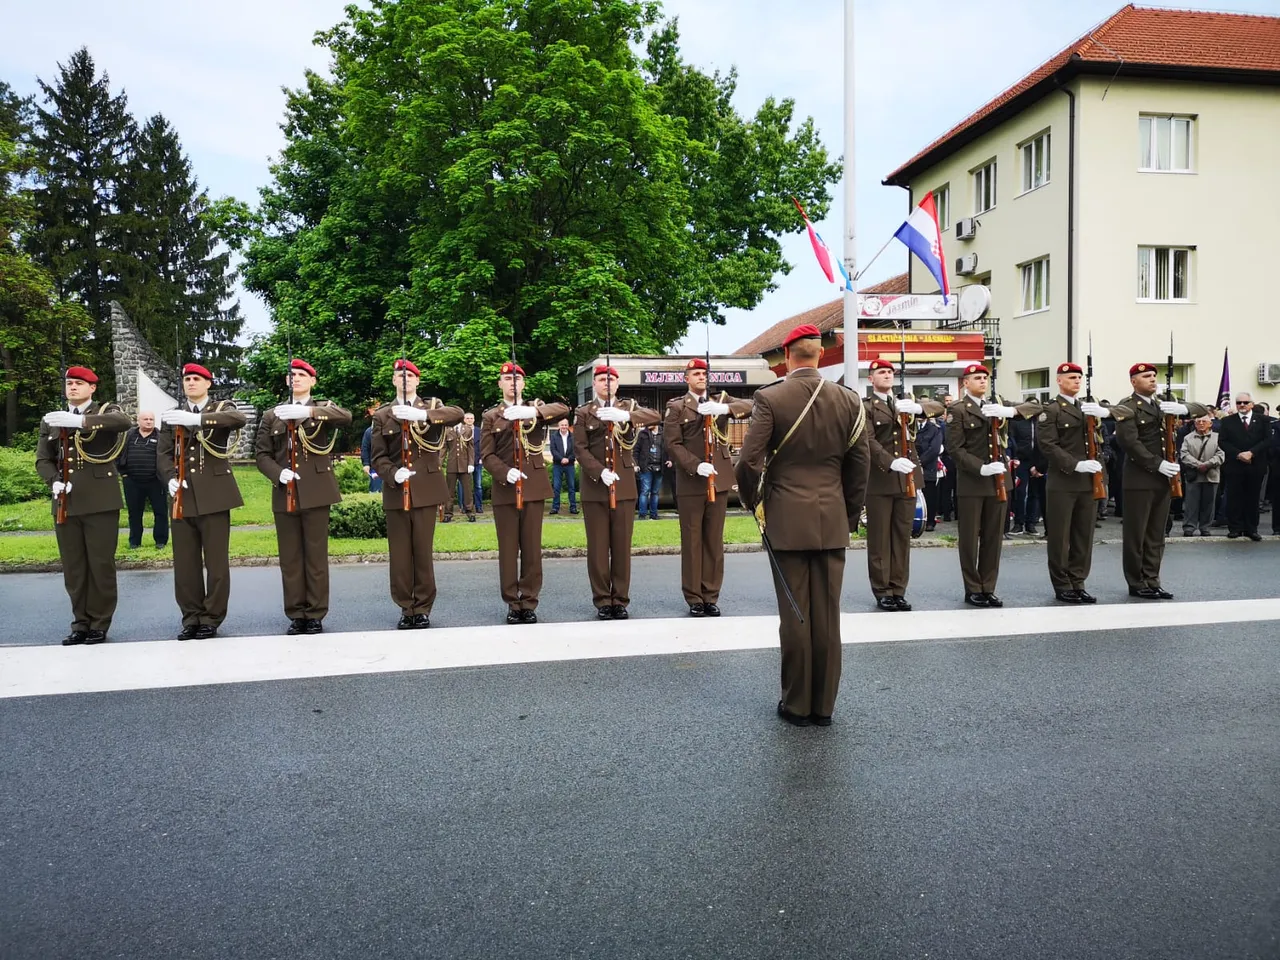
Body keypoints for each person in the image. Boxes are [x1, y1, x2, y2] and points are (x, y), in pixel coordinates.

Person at [736, 324, 870, 727]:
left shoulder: (770, 396)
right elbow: (859, 464)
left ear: (789, 356)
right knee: (827, 615)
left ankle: (796, 705)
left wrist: (753, 502)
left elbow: (748, 461)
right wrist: (847, 514)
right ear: (817, 354)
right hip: (831, 517)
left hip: (786, 518)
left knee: (796, 614)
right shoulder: (848, 399)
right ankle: (824, 707)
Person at [254, 358, 352, 635]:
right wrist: (277, 473)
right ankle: (296, 613)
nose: (295, 378)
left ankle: (316, 613)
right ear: (287, 382)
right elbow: (261, 454)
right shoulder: (272, 415)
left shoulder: (322, 408)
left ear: (312, 381)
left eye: (301, 375)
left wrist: (309, 412)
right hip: (285, 491)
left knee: (315, 556)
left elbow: (345, 418)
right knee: (290, 557)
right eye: (292, 375)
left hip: (317, 491)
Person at [36, 365, 131, 645]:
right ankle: (80, 623)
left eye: (79, 383)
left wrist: (80, 423)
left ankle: (99, 623)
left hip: (100, 499)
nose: (73, 387)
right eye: (69, 383)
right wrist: (52, 480)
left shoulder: (104, 412)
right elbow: (43, 458)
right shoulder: (53, 419)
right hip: (66, 499)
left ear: (92, 388)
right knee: (74, 567)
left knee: (100, 564)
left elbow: (123, 422)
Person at [370, 359, 464, 629]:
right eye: (399, 375)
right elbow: (378, 456)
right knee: (399, 555)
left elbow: (457, 413)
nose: (405, 379)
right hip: (396, 489)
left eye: (410, 375)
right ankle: (405, 606)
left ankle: (422, 607)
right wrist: (392, 473)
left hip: (425, 489)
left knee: (422, 552)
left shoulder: (432, 407)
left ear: (417, 381)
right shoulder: (383, 414)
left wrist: (423, 417)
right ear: (393, 380)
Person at [157, 362, 248, 640]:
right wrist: (169, 477)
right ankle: (191, 617)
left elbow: (237, 420)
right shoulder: (172, 416)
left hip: (215, 495)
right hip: (182, 495)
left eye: (197, 379)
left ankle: (211, 618)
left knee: (216, 563)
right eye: (187, 379)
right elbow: (162, 453)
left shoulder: (221, 409)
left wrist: (198, 421)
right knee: (185, 564)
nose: (191, 383)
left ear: (209, 383)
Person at [1107, 363, 1210, 599]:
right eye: (1146, 376)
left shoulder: (1163, 402)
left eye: (1154, 375)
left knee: (1156, 533)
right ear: (1134, 381)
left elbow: (1202, 408)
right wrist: (1157, 463)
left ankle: (1152, 579)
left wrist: (1181, 407)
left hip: (1163, 479)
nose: (1153, 379)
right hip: (1140, 478)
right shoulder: (1128, 406)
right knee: (1137, 534)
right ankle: (1136, 581)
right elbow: (1129, 442)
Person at [945, 364, 1042, 608]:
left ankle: (988, 587)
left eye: (985, 378)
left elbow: (1037, 406)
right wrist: (981, 467)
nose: (982, 381)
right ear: (965, 383)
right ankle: (972, 588)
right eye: (976, 378)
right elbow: (955, 449)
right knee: (969, 539)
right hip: (973, 481)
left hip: (999, 482)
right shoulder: (958, 410)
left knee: (993, 537)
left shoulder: (998, 404)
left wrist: (1008, 411)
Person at [664, 357, 753, 616]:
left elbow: (752, 405)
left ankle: (711, 595)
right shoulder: (677, 406)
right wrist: (694, 465)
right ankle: (694, 597)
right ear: (687, 378)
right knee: (692, 540)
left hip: (719, 478)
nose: (701, 377)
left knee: (714, 541)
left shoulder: (721, 401)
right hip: (692, 481)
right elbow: (672, 443)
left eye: (704, 373)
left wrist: (722, 410)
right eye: (696, 374)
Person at [481, 362, 569, 624]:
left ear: (524, 383)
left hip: (532, 487)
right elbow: (486, 454)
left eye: (517, 379)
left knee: (531, 549)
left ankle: (529, 601)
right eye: (507, 379)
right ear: (500, 384)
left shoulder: (536, 410)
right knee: (508, 549)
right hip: (506, 489)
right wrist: (503, 471)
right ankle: (512, 601)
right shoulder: (491, 417)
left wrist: (532, 410)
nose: (512, 383)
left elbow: (564, 409)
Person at [574, 365, 661, 620]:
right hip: (595, 487)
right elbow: (580, 449)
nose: (607, 383)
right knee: (599, 548)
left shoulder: (628, 408)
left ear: (618, 384)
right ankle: (603, 600)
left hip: (623, 487)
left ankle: (620, 600)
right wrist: (599, 471)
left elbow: (655, 416)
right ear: (595, 384)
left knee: (622, 547)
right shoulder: (584, 412)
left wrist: (626, 418)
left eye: (611, 379)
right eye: (602, 379)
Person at [863, 359, 944, 611]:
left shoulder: (903, 402)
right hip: (881, 479)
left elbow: (939, 407)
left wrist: (918, 408)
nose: (887, 375)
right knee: (880, 539)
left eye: (890, 372)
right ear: (871, 379)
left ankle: (898, 589)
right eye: (881, 372)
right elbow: (868, 441)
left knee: (901, 538)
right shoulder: (865, 406)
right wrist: (890, 462)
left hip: (907, 479)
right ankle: (882, 591)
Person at [1037, 362, 1108, 603]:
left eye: (1079, 377)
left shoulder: (1088, 408)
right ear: (1059, 380)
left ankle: (1078, 581)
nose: (1076, 381)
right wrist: (1075, 464)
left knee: (1083, 535)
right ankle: (1062, 584)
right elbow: (1047, 445)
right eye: (1071, 377)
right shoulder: (1052, 410)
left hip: (1088, 481)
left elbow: (1097, 442)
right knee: (1060, 536)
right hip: (1064, 481)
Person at [1217, 392, 1270, 541]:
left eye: (1245, 402)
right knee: (1234, 497)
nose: (1242, 405)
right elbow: (1223, 441)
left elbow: (1267, 440)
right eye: (1239, 402)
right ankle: (1235, 528)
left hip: (1255, 464)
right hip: (1235, 464)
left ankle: (1251, 529)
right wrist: (1239, 454)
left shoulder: (1263, 420)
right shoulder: (1228, 421)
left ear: (1252, 404)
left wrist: (1252, 453)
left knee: (1252, 498)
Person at [117, 410, 168, 550]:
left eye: (151, 419)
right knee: (134, 513)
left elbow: (167, 456)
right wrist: (123, 474)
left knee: (160, 512)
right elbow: (118, 453)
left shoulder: (161, 437)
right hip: (132, 481)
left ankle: (161, 541)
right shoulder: (129, 436)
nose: (149, 421)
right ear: (138, 421)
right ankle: (134, 541)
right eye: (145, 419)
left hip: (156, 481)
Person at [1179, 413, 1224, 537]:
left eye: (1204, 421)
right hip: (1194, 475)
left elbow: (1221, 454)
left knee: (1209, 503)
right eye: (1198, 421)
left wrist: (1208, 464)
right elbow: (1184, 454)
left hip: (1212, 474)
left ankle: (1205, 527)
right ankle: (1189, 527)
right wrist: (1198, 464)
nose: (1201, 423)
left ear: (1210, 424)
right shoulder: (1188, 438)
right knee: (1191, 503)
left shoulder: (1218, 437)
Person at [1009, 411, 1047, 536]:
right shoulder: (1018, 423)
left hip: (1037, 463)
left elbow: (1045, 443)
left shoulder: (1041, 424)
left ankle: (1031, 524)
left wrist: (1040, 464)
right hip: (1021, 462)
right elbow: (1013, 441)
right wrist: (1015, 457)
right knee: (1020, 492)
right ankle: (1018, 523)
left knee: (1035, 494)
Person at [915, 409, 943, 532]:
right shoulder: (911, 427)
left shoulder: (934, 429)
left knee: (930, 496)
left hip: (928, 467)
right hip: (912, 466)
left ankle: (930, 521)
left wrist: (920, 462)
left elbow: (934, 449)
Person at [443, 417, 476, 522]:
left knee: (467, 491)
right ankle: (448, 513)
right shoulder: (447, 431)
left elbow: (471, 448)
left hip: (464, 465)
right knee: (449, 492)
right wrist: (439, 464)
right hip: (452, 465)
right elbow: (443, 449)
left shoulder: (467, 429)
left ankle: (470, 512)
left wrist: (471, 463)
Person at [635, 423, 665, 521]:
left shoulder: (664, 433)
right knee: (645, 491)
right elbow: (636, 450)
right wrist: (636, 464)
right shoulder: (643, 434)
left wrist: (669, 460)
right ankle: (642, 515)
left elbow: (669, 449)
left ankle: (654, 514)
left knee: (655, 492)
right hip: (646, 466)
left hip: (659, 466)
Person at [549, 418, 578, 515]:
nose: (564, 427)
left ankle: (573, 507)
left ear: (568, 425)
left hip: (570, 465)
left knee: (571, 487)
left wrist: (568, 459)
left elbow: (576, 450)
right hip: (558, 464)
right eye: (562, 425)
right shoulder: (553, 436)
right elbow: (553, 450)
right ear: (559, 426)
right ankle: (555, 508)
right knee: (556, 487)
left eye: (565, 425)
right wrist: (561, 458)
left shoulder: (573, 437)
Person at [360, 407, 382, 493]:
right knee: (375, 490)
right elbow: (365, 448)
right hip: (374, 467)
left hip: (389, 466)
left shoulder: (388, 430)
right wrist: (366, 464)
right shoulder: (369, 432)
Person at [469, 413, 484, 513]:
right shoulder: (460, 430)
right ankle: (465, 507)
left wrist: (482, 458)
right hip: (465, 463)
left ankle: (479, 507)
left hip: (478, 461)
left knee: (478, 485)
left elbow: (484, 445)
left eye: (471, 418)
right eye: (467, 418)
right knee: (464, 486)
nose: (469, 420)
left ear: (474, 419)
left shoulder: (480, 431)